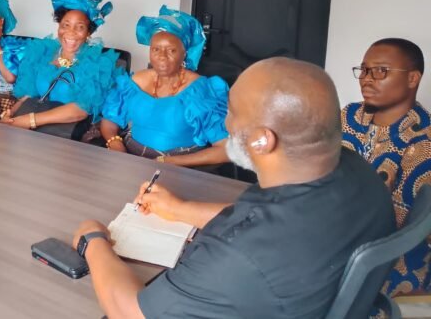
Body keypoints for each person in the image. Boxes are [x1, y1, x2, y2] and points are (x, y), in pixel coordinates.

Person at [73, 58, 395, 318]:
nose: (225, 123)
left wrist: (93, 239)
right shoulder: (357, 172)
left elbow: (130, 311)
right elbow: (262, 219)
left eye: (232, 112)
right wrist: (179, 209)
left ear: (262, 140)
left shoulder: (237, 254)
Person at [342, 38, 430, 295]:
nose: (367, 79)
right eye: (364, 69)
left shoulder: (423, 140)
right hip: (332, 234)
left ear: (412, 79)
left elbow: (400, 225)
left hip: (386, 261)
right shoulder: (349, 116)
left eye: (381, 71)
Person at [101, 5, 229, 159]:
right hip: (132, 156)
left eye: (171, 50)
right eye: (156, 49)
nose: (162, 56)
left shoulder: (200, 90)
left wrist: (171, 163)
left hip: (179, 164)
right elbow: (109, 123)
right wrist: (116, 145)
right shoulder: (135, 82)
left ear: (184, 54)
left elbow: (224, 150)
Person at [2, 0, 121, 132]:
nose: (70, 32)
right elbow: (30, 94)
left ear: (88, 33)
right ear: (59, 26)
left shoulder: (96, 64)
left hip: (66, 136)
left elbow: (81, 110)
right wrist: (11, 115)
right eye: (66, 24)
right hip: (34, 132)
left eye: (80, 27)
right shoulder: (43, 53)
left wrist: (31, 120)